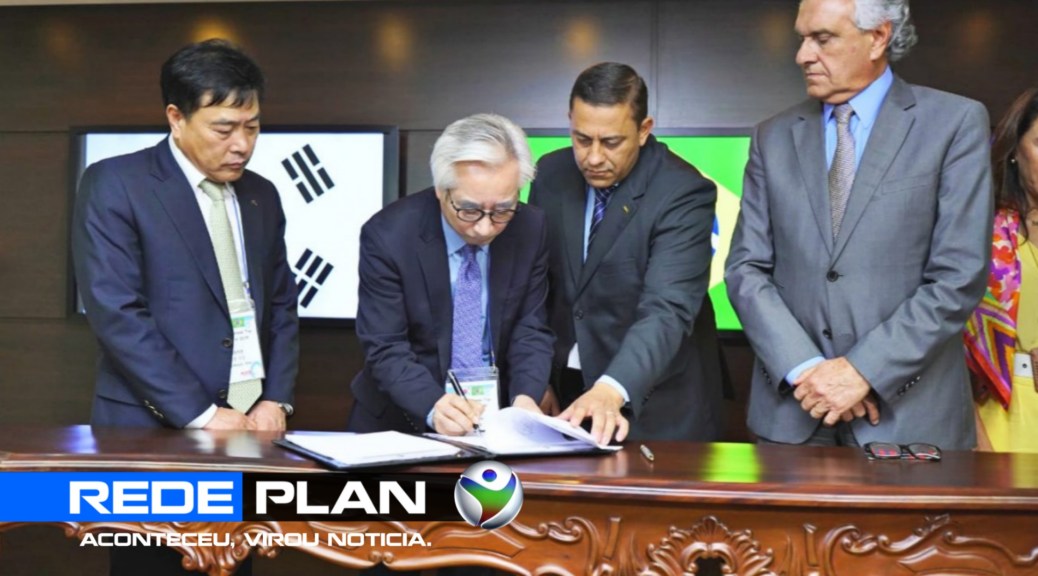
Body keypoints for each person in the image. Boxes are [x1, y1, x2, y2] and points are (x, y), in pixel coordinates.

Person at [72, 39, 299, 574]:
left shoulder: (262, 194)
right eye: (225, 129)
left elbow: (281, 303)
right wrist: (202, 414)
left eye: (253, 127)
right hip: (150, 432)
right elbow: (116, 312)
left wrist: (276, 399)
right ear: (176, 117)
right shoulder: (116, 184)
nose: (242, 144)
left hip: (248, 430)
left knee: (233, 563)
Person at [725, 0, 992, 449]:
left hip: (909, 420)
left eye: (822, 39)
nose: (803, 55)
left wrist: (863, 370)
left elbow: (958, 275)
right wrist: (807, 370)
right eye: (802, 39)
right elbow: (745, 269)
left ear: (878, 37)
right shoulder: (772, 136)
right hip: (794, 414)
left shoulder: (954, 123)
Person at [528, 62, 723, 445]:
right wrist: (536, 377)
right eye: (582, 139)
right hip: (566, 397)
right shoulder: (550, 173)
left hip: (654, 403)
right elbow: (536, 286)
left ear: (644, 129)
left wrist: (612, 388)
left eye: (611, 142)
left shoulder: (683, 191)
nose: (593, 157)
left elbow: (667, 309)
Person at [348, 113, 553, 437]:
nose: (485, 228)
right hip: (401, 421)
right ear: (441, 192)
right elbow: (386, 345)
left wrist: (526, 398)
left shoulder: (530, 227)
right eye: (469, 210)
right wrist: (433, 406)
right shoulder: (389, 236)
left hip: (494, 423)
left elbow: (530, 328)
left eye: (502, 209)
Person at [965, 88, 1038, 453]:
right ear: (1014, 151)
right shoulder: (979, 234)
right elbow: (946, 352)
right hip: (998, 413)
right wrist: (977, 439)